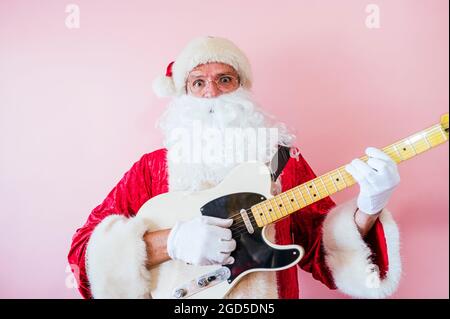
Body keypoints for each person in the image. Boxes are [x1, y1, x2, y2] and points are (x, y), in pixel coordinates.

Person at [68, 36, 401, 299]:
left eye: (224, 79)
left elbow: (319, 249)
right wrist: (169, 242)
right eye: (197, 83)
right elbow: (84, 258)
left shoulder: (283, 161)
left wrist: (367, 209)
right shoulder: (151, 169)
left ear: (243, 88)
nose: (212, 93)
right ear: (183, 95)